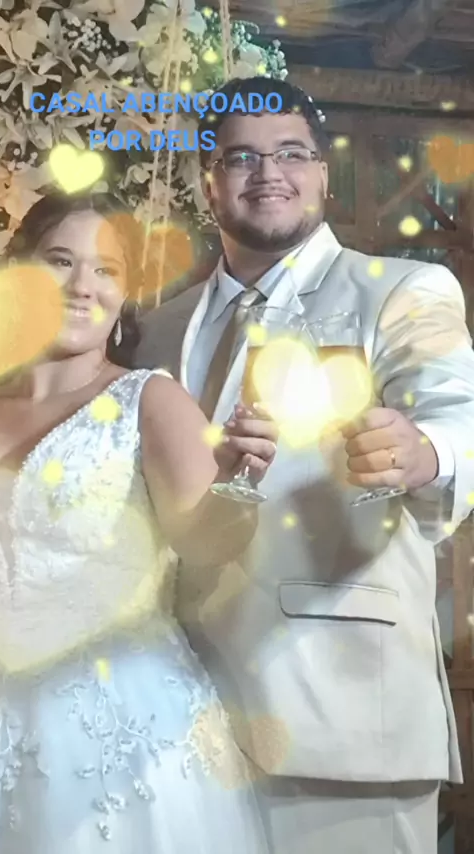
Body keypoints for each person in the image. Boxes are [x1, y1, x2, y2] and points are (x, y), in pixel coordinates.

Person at [133, 76, 474, 854]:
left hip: (344, 713)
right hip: (174, 731)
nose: (269, 173)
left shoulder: (402, 291)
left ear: (323, 172)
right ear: (208, 181)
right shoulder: (157, 330)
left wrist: (425, 451)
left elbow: (463, 414)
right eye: (241, 158)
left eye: (291, 153)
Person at [0, 190, 278, 853]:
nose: (80, 285)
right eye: (60, 260)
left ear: (126, 294)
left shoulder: (149, 399)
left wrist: (237, 483)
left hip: (112, 723)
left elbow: (204, 543)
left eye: (106, 269)